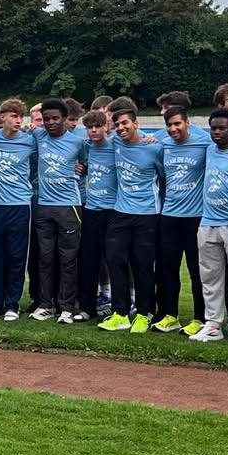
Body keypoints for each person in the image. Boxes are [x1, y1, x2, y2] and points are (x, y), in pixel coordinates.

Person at [189, 108, 228, 345]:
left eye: (221, 128)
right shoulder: (208, 150)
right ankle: (213, 324)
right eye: (213, 128)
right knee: (209, 278)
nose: (216, 132)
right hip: (208, 223)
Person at [98, 107, 164, 333]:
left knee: (142, 264)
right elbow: (91, 136)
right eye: (117, 124)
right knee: (114, 260)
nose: (120, 128)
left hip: (147, 214)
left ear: (136, 123)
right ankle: (120, 313)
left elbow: (163, 177)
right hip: (120, 212)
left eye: (125, 123)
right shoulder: (115, 142)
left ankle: (144, 314)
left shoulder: (154, 147)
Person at [30, 98, 86, 323]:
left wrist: (82, 168)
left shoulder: (78, 142)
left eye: (55, 118)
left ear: (64, 118)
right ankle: (45, 305)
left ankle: (67, 308)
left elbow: (88, 162)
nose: (51, 122)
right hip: (44, 206)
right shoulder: (37, 135)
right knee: (45, 259)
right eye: (46, 119)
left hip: (69, 207)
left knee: (68, 259)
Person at [0, 98, 37, 321]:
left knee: (16, 257)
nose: (18, 120)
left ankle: (12, 304)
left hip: (20, 206)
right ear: (2, 116)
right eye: (13, 116)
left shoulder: (30, 140)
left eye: (20, 116)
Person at [154, 105, 208, 335]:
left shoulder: (204, 144)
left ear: (187, 122)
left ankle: (200, 318)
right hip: (168, 216)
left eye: (177, 123)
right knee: (168, 270)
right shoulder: (163, 145)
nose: (173, 128)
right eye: (169, 125)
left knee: (197, 271)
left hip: (195, 218)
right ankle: (170, 316)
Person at [77, 110, 116, 320]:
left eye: (97, 126)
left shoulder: (116, 146)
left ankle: (118, 307)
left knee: (114, 259)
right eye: (89, 127)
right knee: (89, 259)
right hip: (91, 209)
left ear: (106, 126)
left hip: (113, 211)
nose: (93, 131)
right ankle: (87, 308)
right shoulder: (86, 147)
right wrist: (79, 168)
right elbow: (82, 167)